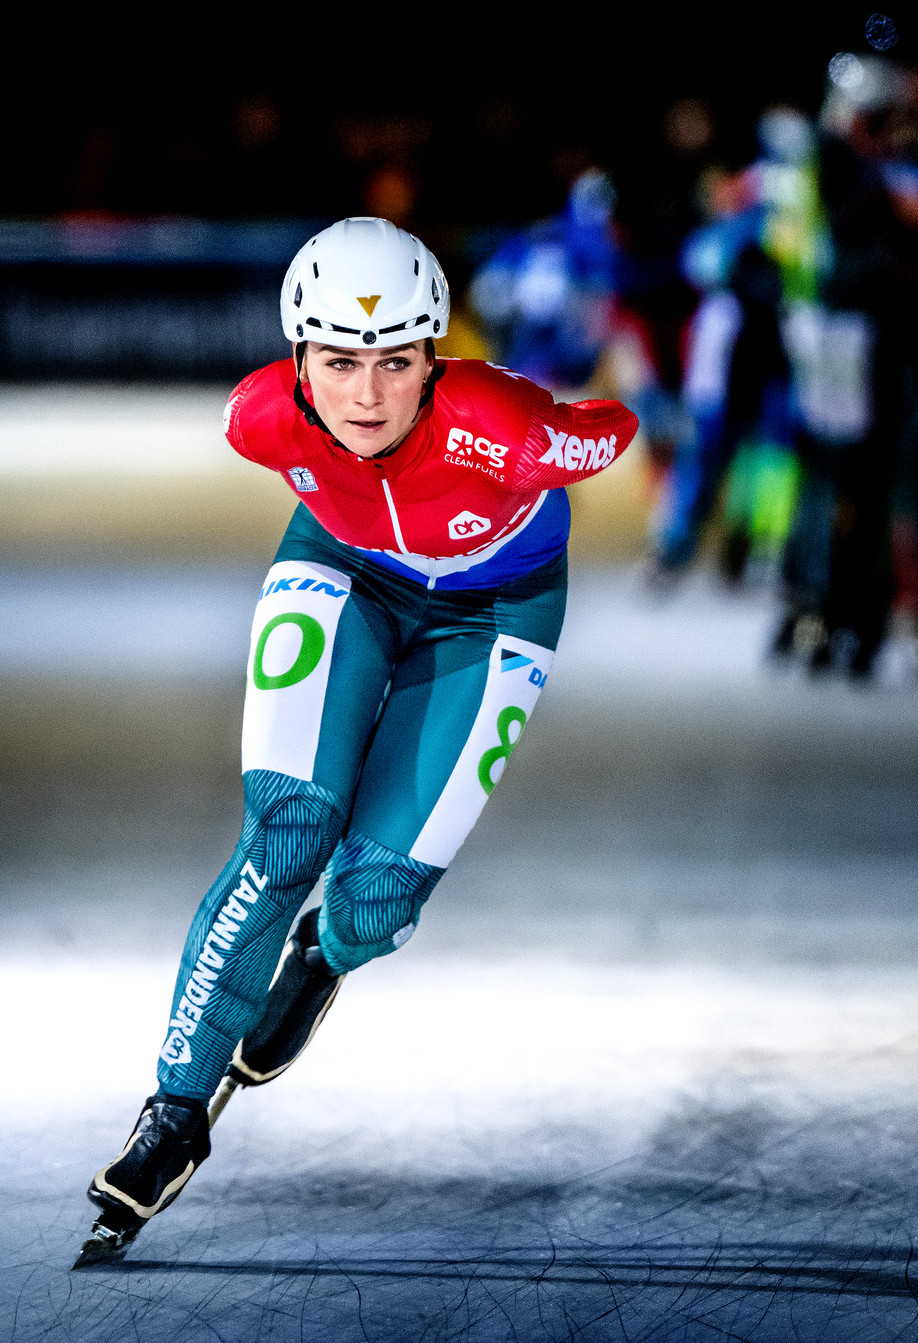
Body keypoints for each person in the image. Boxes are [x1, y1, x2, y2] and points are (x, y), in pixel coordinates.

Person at [75, 217, 638, 1264]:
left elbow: (615, 425)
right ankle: (173, 1108)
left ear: (436, 355)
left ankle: (321, 956)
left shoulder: (498, 423)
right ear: (298, 361)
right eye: (338, 363)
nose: (368, 396)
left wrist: (542, 429)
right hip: (342, 573)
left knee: (375, 902)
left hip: (495, 609)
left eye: (396, 364)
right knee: (289, 832)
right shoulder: (260, 422)